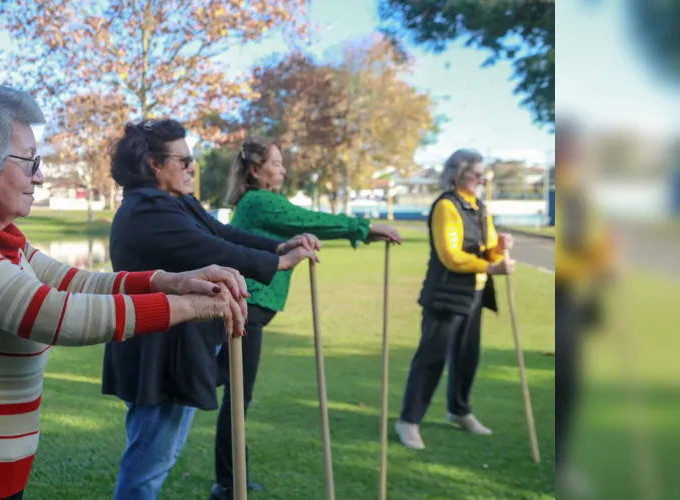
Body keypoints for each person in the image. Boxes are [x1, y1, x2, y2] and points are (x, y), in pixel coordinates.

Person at [0, 75, 249, 500]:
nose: (40, 176)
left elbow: (76, 283)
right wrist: (189, 306)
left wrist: (167, 280)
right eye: (29, 161)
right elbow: (58, 315)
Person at [101, 120, 319, 500]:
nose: (192, 167)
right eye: (185, 160)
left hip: (176, 347)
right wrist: (276, 265)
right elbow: (214, 251)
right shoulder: (146, 212)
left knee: (156, 453)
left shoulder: (173, 201)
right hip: (158, 355)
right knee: (150, 461)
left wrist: (278, 248)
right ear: (154, 163)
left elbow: (221, 233)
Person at [211, 137, 404, 498]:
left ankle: (230, 477)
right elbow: (307, 219)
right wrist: (364, 229)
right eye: (277, 163)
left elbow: (301, 225)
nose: (283, 170)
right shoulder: (258, 201)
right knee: (235, 394)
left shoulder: (263, 201)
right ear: (256, 170)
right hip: (246, 309)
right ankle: (227, 482)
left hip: (252, 310)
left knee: (235, 392)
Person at [395, 148, 516, 451]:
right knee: (431, 359)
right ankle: (408, 421)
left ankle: (459, 410)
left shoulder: (479, 206)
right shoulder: (446, 206)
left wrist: (499, 248)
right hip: (445, 294)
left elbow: (485, 250)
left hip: (475, 292)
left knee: (467, 357)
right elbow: (450, 256)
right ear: (456, 175)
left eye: (481, 173)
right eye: (474, 174)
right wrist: (491, 266)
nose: (480, 179)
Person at [553, 119, 617, 494]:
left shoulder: (580, 191)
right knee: (565, 380)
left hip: (578, 299)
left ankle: (563, 461)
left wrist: (605, 256)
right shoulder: (565, 191)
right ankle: (560, 463)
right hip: (562, 294)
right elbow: (565, 258)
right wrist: (591, 264)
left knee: (572, 384)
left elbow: (592, 241)